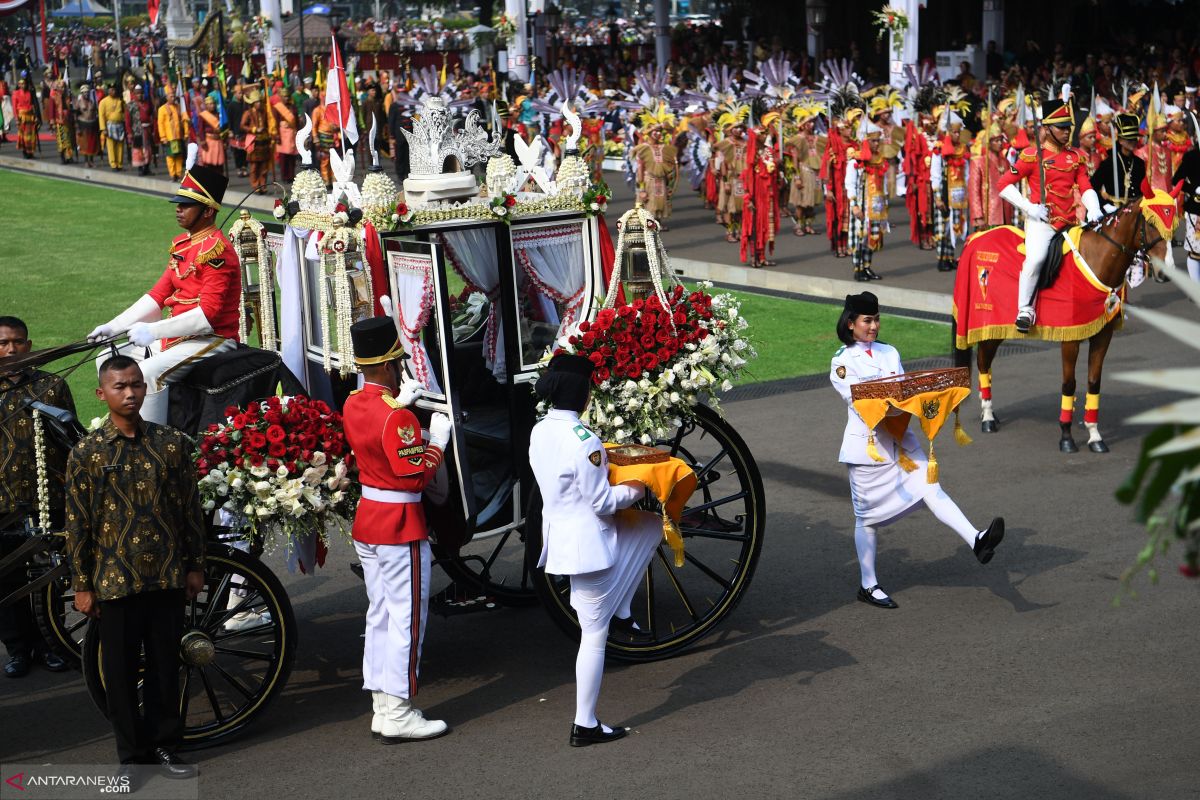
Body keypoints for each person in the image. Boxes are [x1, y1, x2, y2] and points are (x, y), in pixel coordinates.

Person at [64, 355, 203, 772]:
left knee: (165, 666)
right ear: (101, 394)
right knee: (120, 675)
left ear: (146, 388)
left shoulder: (171, 444)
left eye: (136, 385)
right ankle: (133, 755)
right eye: (120, 387)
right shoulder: (87, 453)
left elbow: (189, 510)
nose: (130, 394)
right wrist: (82, 585)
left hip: (165, 577)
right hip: (114, 581)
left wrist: (195, 565)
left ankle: (164, 744)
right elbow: (77, 523)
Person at [830, 292, 1005, 609]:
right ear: (851, 324)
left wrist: (928, 401)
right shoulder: (841, 361)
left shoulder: (889, 352)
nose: (874, 326)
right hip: (867, 447)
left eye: (876, 319)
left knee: (930, 486)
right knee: (866, 519)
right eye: (867, 321)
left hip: (901, 441)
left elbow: (905, 391)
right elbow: (858, 402)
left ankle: (976, 540)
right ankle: (868, 585)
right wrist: (905, 402)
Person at [528, 353, 661, 747]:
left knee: (650, 528)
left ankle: (621, 608)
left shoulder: (540, 431)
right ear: (584, 395)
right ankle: (584, 723)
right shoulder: (585, 441)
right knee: (593, 634)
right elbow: (603, 502)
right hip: (589, 545)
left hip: (560, 537)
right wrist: (639, 485)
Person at [342, 317, 452, 743]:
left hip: (369, 520)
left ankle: (383, 706)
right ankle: (401, 709)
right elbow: (415, 478)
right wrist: (436, 442)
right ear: (389, 365)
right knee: (407, 619)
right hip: (398, 525)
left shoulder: (355, 402)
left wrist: (397, 406)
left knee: (381, 615)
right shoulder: (397, 416)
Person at [85, 164, 240, 424]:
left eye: (187, 205)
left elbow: (208, 316)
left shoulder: (217, 251)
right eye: (178, 203)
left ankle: (149, 440)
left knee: (146, 372)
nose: (178, 209)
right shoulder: (183, 244)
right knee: (109, 356)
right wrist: (114, 326)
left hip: (211, 339)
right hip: (178, 338)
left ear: (208, 211)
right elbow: (158, 294)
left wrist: (153, 331)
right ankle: (122, 424)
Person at [0, 317, 74, 678]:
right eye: (2, 343)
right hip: (2, 504)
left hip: (48, 499)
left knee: (48, 580)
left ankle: (51, 645)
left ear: (29, 346)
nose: (11, 350)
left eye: (17, 342)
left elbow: (70, 440)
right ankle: (17, 650)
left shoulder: (51, 385)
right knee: (7, 581)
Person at [997, 98, 1102, 333]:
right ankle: (1025, 308)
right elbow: (1003, 184)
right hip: (1042, 222)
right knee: (1035, 260)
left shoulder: (1075, 156)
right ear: (1046, 129)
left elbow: (1084, 185)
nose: (1067, 132)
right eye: (1061, 127)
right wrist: (1029, 207)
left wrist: (1094, 207)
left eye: (1068, 127)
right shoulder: (1032, 155)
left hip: (1070, 222)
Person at [241, 89, 271, 193]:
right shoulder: (248, 113)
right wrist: (253, 129)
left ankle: (263, 185)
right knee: (254, 166)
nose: (259, 104)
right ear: (253, 103)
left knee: (264, 166)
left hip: (264, 142)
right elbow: (242, 125)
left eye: (260, 101)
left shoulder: (265, 112)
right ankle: (255, 186)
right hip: (254, 142)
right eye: (257, 102)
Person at [157, 86, 189, 180]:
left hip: (178, 136)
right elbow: (160, 124)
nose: (173, 98)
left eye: (173, 96)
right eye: (171, 96)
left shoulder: (178, 107)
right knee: (171, 156)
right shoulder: (162, 109)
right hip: (169, 137)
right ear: (166, 97)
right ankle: (173, 174)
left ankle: (178, 174)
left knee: (179, 155)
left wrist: (186, 133)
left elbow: (184, 119)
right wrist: (163, 137)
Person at [97, 82, 126, 171]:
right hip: (110, 125)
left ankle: (120, 164)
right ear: (108, 90)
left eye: (114, 90)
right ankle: (113, 164)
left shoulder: (120, 101)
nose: (113, 91)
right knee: (111, 145)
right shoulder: (103, 102)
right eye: (111, 90)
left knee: (120, 145)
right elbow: (101, 116)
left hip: (120, 125)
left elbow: (124, 112)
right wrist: (103, 128)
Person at [74, 83, 100, 168]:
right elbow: (75, 116)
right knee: (84, 144)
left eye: (87, 92)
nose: (86, 94)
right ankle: (86, 161)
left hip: (92, 124)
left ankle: (91, 161)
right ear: (81, 93)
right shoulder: (79, 103)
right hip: (83, 125)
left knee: (92, 144)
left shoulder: (92, 102)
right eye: (84, 92)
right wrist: (77, 127)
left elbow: (96, 113)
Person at [12, 75, 38, 159]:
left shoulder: (29, 93)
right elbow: (14, 107)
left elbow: (33, 104)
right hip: (21, 117)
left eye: (24, 84)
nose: (22, 85)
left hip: (30, 116)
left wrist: (36, 115)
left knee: (30, 135)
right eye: (21, 84)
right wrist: (16, 118)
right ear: (19, 85)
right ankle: (25, 151)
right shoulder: (15, 93)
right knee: (23, 136)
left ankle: (30, 152)